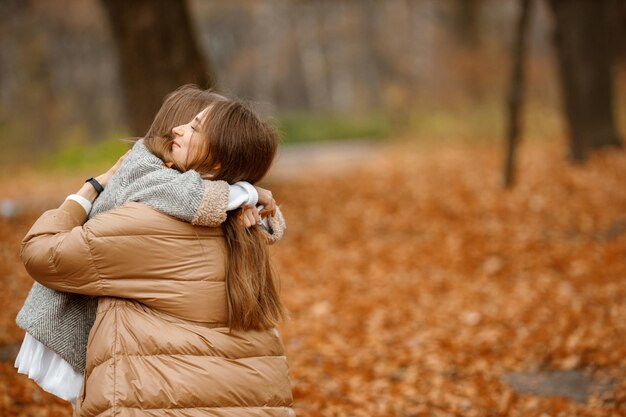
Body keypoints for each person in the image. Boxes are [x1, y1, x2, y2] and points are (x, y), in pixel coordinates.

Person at [15, 85, 287, 408]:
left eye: (194, 127)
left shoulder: (146, 223)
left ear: (216, 164)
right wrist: (249, 192)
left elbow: (41, 253)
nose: (176, 129)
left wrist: (87, 192)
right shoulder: (247, 228)